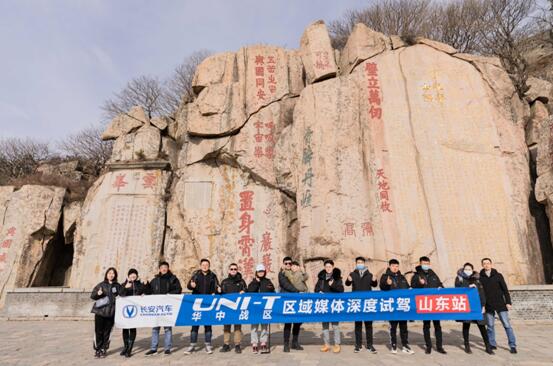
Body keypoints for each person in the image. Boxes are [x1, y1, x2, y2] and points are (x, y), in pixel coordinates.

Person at [455, 262, 494, 355]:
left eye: (469, 269)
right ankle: (467, 346)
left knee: (482, 326)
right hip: (466, 305)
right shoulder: (459, 278)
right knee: (466, 325)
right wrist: (467, 287)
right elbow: (457, 290)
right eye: (466, 269)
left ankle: (488, 346)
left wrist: (483, 305)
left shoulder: (477, 279)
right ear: (463, 269)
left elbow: (482, 292)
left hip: (478, 305)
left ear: (472, 270)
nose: (467, 271)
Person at [480, 258, 517, 354]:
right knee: (490, 326)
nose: (486, 265)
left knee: (507, 325)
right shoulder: (481, 277)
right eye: (484, 264)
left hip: (500, 304)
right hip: (488, 305)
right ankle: (492, 344)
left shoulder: (498, 276)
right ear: (482, 265)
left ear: (491, 264)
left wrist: (508, 302)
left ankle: (512, 345)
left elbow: (505, 289)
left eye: (488, 263)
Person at [145, 261, 182, 356]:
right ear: (159, 269)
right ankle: (153, 349)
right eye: (162, 267)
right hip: (157, 308)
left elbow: (178, 289)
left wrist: (170, 294)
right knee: (155, 329)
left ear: (168, 268)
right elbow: (149, 292)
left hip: (167, 308)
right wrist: (146, 285)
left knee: (167, 329)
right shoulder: (155, 280)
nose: (164, 269)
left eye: (165, 267)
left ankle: (167, 349)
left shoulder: (173, 279)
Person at [410, 256, 446, 354]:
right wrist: (420, 284)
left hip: (434, 304)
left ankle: (439, 346)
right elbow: (412, 287)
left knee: (437, 326)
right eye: (424, 263)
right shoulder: (416, 275)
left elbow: (440, 284)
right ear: (420, 263)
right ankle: (428, 346)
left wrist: (441, 287)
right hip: (424, 304)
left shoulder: (433, 274)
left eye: (427, 264)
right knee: (426, 326)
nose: (425, 265)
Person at [184, 258, 220, 355]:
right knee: (195, 325)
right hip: (197, 303)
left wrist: (217, 291)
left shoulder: (213, 276)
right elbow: (189, 286)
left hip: (208, 304)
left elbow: (217, 287)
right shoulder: (196, 275)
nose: (205, 266)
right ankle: (192, 345)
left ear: (209, 266)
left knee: (208, 325)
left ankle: (208, 345)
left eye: (207, 265)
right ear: (200, 266)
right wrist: (191, 286)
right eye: (203, 265)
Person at [379, 259, 414, 355]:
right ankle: (393, 345)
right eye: (393, 266)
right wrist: (387, 284)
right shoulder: (385, 276)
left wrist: (410, 289)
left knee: (404, 327)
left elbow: (407, 287)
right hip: (392, 306)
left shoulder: (402, 277)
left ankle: (405, 345)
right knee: (393, 327)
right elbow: (382, 287)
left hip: (402, 305)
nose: (395, 268)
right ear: (389, 266)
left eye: (397, 266)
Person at [345, 256, 378, 353]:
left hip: (367, 303)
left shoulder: (369, 274)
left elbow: (374, 285)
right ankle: (358, 345)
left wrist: (375, 280)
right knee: (358, 325)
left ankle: (370, 345)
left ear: (364, 264)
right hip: (357, 303)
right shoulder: (352, 274)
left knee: (369, 325)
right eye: (358, 262)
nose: (360, 264)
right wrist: (348, 280)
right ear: (356, 264)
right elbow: (347, 284)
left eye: (361, 262)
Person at [90, 267, 123, 358]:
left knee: (107, 331)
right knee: (98, 331)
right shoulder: (101, 285)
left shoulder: (117, 286)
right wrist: (98, 294)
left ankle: (104, 348)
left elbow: (123, 295)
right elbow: (92, 296)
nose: (111, 275)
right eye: (109, 273)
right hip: (100, 312)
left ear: (115, 275)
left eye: (113, 273)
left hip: (111, 313)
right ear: (106, 274)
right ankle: (98, 349)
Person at [314, 259, 344, 353]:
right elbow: (316, 289)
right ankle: (326, 344)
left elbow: (341, 289)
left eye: (330, 267)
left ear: (333, 267)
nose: (328, 268)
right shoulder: (321, 278)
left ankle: (337, 344)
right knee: (325, 326)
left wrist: (333, 284)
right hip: (324, 305)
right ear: (324, 267)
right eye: (326, 267)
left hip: (334, 304)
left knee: (335, 326)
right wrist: (319, 291)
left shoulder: (337, 278)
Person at [278, 256, 305, 352]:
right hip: (287, 301)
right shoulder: (282, 274)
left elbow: (303, 281)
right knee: (288, 323)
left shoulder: (295, 273)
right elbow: (285, 285)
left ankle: (295, 342)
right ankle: (286, 344)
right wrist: (297, 291)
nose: (288, 265)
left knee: (297, 322)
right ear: (283, 264)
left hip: (297, 301)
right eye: (286, 263)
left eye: (290, 263)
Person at [247, 264, 275, 354]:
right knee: (254, 327)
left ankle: (263, 343)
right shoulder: (252, 282)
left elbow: (273, 292)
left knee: (264, 326)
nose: (261, 273)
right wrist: (256, 282)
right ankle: (254, 344)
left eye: (262, 271)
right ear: (256, 272)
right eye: (259, 271)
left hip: (265, 308)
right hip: (255, 309)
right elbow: (250, 291)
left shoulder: (268, 282)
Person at [220, 263, 247, 354]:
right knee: (226, 327)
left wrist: (244, 291)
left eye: (235, 269)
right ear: (228, 270)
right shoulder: (224, 282)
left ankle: (237, 345)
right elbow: (220, 294)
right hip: (227, 308)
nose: (233, 270)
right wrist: (217, 292)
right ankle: (226, 344)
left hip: (238, 308)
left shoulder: (242, 281)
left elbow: (246, 290)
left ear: (237, 270)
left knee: (237, 327)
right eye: (231, 269)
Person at [119, 268, 146, 358]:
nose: (133, 275)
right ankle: (125, 347)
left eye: (134, 274)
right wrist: (125, 287)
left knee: (132, 329)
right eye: (131, 274)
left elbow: (146, 292)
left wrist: (143, 294)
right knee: (125, 329)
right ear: (128, 276)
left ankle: (130, 349)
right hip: (125, 311)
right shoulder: (124, 284)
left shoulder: (140, 285)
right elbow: (121, 294)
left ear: (137, 276)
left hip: (135, 311)